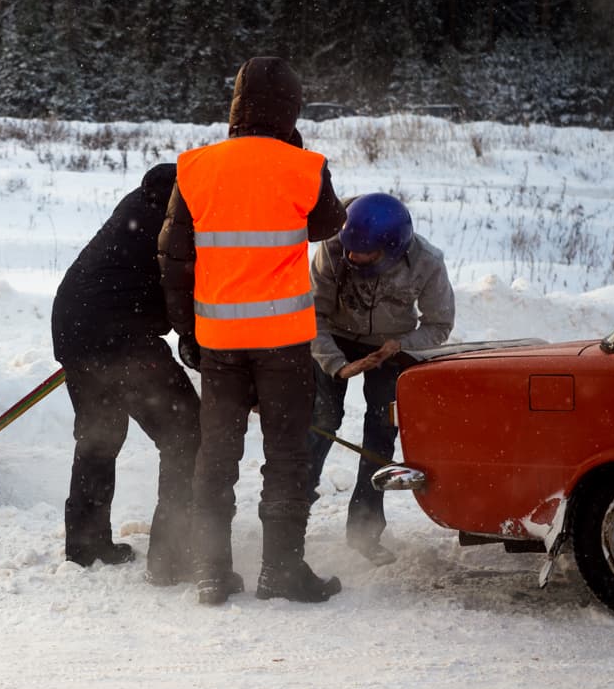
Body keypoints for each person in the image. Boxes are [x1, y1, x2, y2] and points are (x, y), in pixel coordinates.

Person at [158, 56, 346, 605]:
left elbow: (174, 260)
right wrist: (294, 150)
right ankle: (281, 570)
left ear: (235, 106)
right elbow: (328, 223)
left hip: (220, 344)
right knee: (286, 455)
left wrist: (186, 333)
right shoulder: (303, 166)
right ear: (291, 109)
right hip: (284, 344)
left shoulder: (195, 168)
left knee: (216, 457)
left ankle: (212, 572)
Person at [51, 162, 201, 573]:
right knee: (186, 432)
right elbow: (181, 291)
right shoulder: (175, 223)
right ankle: (173, 555)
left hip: (73, 324)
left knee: (100, 436)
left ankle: (86, 545)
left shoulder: (140, 203)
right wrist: (198, 344)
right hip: (120, 337)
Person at [307, 192, 455, 565]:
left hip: (391, 348)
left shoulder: (427, 262)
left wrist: (399, 346)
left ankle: (365, 530)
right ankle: (290, 516)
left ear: (391, 248)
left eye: (365, 255)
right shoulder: (331, 249)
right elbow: (313, 316)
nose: (354, 258)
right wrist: (336, 364)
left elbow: (439, 325)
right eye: (351, 252)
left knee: (380, 432)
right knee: (320, 422)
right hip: (335, 339)